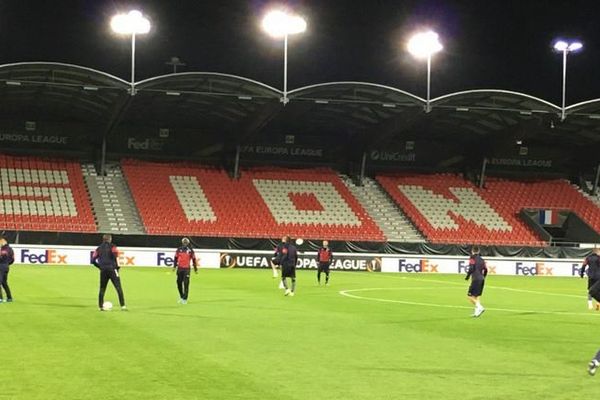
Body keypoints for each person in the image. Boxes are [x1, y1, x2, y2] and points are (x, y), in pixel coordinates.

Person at [91, 234, 126, 311]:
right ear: (110, 239)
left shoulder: (98, 248)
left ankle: (100, 306)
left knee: (102, 288)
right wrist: (117, 267)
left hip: (103, 270)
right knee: (118, 287)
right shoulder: (113, 247)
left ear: (103, 239)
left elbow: (92, 260)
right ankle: (123, 306)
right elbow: (116, 255)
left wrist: (100, 267)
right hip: (112, 269)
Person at [173, 237, 198, 304]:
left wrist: (195, 268)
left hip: (186, 269)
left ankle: (185, 298)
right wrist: (174, 266)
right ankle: (181, 296)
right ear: (182, 242)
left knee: (186, 283)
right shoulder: (179, 249)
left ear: (188, 243)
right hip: (180, 268)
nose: (185, 243)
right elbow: (175, 258)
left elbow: (194, 259)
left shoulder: (190, 251)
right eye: (184, 242)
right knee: (179, 283)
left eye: (186, 242)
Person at [464, 246, 487, 317]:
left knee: (470, 296)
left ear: (472, 251)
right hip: (481, 279)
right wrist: (483, 277)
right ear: (479, 251)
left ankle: (480, 307)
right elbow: (486, 269)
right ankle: (477, 312)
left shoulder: (472, 258)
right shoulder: (482, 260)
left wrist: (467, 276)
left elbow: (471, 268)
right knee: (476, 296)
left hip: (476, 279)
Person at [0, 236, 15, 303]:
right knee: (4, 283)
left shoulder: (2, 249)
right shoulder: (11, 249)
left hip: (1, 266)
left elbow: (1, 257)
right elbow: (13, 259)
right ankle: (9, 298)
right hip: (6, 267)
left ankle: (0, 298)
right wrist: (7, 264)